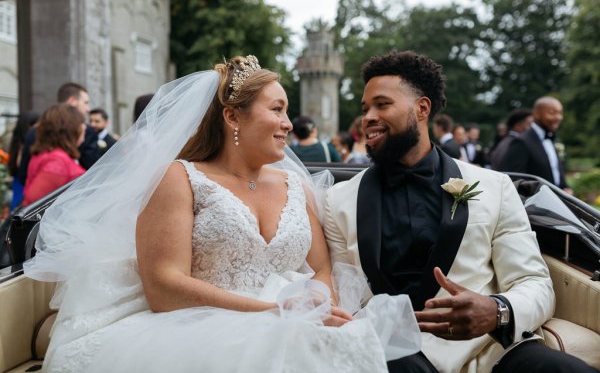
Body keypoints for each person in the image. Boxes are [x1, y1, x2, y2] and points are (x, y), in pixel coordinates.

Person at [25, 55, 420, 373]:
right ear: (232, 117)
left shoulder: (295, 186)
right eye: (278, 109)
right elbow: (163, 286)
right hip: (196, 327)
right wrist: (273, 312)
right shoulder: (179, 178)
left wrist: (314, 305)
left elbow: (321, 269)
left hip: (293, 322)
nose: (287, 124)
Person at [324, 50, 597, 373]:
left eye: (382, 105)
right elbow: (345, 297)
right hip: (391, 351)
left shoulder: (494, 186)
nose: (368, 116)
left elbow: (534, 282)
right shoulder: (337, 200)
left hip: (492, 350)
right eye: (365, 108)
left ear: (422, 108)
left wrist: (497, 311)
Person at [17, 83, 100, 186]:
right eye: (85, 103)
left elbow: (23, 175)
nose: (88, 109)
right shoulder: (86, 132)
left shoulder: (34, 131)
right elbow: (93, 173)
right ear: (72, 101)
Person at [499, 97, 571, 191]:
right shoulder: (521, 142)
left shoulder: (551, 139)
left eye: (560, 113)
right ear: (536, 114)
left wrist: (565, 187)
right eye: (552, 113)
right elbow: (515, 181)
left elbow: (555, 173)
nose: (558, 117)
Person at [22, 104, 86, 206]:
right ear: (71, 128)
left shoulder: (50, 153)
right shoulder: (57, 161)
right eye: (81, 123)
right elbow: (34, 199)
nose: (84, 127)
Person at [7, 111, 39, 210]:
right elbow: (23, 170)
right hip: (24, 194)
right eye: (34, 125)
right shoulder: (25, 147)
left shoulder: (16, 145)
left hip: (19, 193)